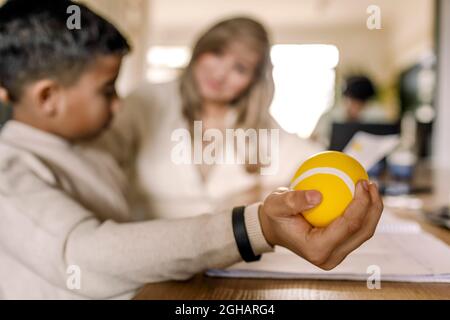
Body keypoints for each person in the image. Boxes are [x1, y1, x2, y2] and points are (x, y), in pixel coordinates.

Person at [0, 0, 383, 299]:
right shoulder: (11, 168)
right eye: (107, 91)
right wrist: (256, 226)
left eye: (240, 68)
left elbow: (303, 155)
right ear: (48, 96)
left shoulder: (83, 146)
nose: (118, 106)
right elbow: (86, 256)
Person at [92, 17, 322, 220]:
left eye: (240, 68)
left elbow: (317, 164)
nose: (220, 74)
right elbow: (95, 157)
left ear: (253, 80)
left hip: (231, 259)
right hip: (148, 252)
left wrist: (268, 193)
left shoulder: (260, 126)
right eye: (217, 53)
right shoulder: (148, 100)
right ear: (200, 50)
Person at [311, 75, 390, 147]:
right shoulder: (330, 116)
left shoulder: (377, 115)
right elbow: (313, 139)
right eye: (352, 102)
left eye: (360, 104)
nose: (355, 107)